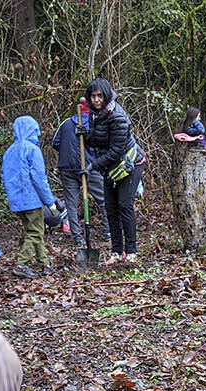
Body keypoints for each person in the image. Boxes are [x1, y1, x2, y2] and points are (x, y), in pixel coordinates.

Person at [81, 77, 146, 265]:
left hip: (129, 163)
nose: (96, 100)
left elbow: (116, 151)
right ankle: (116, 251)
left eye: (100, 96)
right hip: (110, 167)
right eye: (92, 96)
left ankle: (131, 251)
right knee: (110, 208)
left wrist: (93, 166)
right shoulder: (95, 114)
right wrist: (85, 134)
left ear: (106, 95)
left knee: (124, 205)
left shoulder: (117, 116)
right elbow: (97, 141)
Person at [1, 115, 59, 278]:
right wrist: (50, 201)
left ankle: (45, 263)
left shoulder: (9, 151)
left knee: (34, 231)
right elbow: (39, 179)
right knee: (35, 232)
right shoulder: (32, 150)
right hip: (31, 199)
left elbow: (4, 176)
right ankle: (21, 264)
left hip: (17, 201)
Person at [50, 110, 110, 251]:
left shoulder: (66, 123)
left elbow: (55, 142)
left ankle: (77, 237)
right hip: (89, 167)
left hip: (69, 168)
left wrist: (68, 151)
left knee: (71, 204)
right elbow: (101, 144)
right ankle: (108, 232)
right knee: (104, 199)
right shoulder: (94, 123)